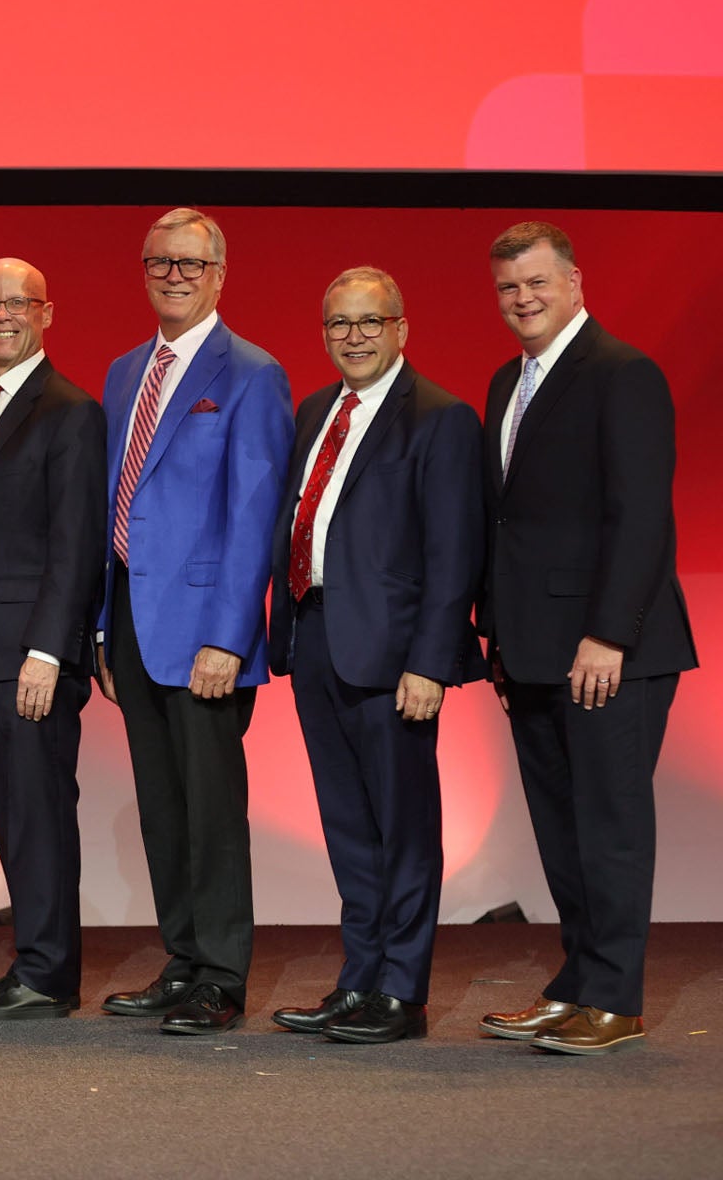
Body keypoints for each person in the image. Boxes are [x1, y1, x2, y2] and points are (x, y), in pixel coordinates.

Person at [475, 222, 697, 1056]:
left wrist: (608, 634)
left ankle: (616, 998)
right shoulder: (509, 381)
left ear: (573, 282)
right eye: (507, 288)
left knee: (609, 825)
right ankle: (577, 986)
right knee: (562, 830)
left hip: (610, 651)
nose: (522, 300)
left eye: (536, 283)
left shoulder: (623, 372)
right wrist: (496, 636)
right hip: (531, 650)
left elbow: (640, 516)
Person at [266, 268, 485, 1045]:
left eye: (369, 322)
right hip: (316, 636)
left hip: (393, 657)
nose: (353, 337)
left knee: (403, 826)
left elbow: (453, 555)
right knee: (348, 826)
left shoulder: (440, 419)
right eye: (339, 324)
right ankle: (358, 980)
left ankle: (401, 990)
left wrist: (430, 662)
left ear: (401, 329)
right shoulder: (315, 411)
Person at [93, 208, 292, 1035]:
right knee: (161, 805)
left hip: (207, 628)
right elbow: (113, 499)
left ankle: (220, 973)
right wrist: (103, 627)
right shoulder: (122, 370)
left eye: (189, 264)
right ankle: (182, 957)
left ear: (218, 274)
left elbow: (255, 515)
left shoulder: (251, 371)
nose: (173, 276)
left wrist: (229, 635)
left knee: (212, 810)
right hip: (133, 622)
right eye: (159, 262)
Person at [0, 259, 107, 1021]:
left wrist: (48, 651)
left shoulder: (69, 410)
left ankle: (46, 975)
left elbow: (77, 542)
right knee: (12, 817)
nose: (2, 315)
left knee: (39, 817)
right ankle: (33, 960)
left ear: (46, 312)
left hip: (29, 660)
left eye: (18, 303)